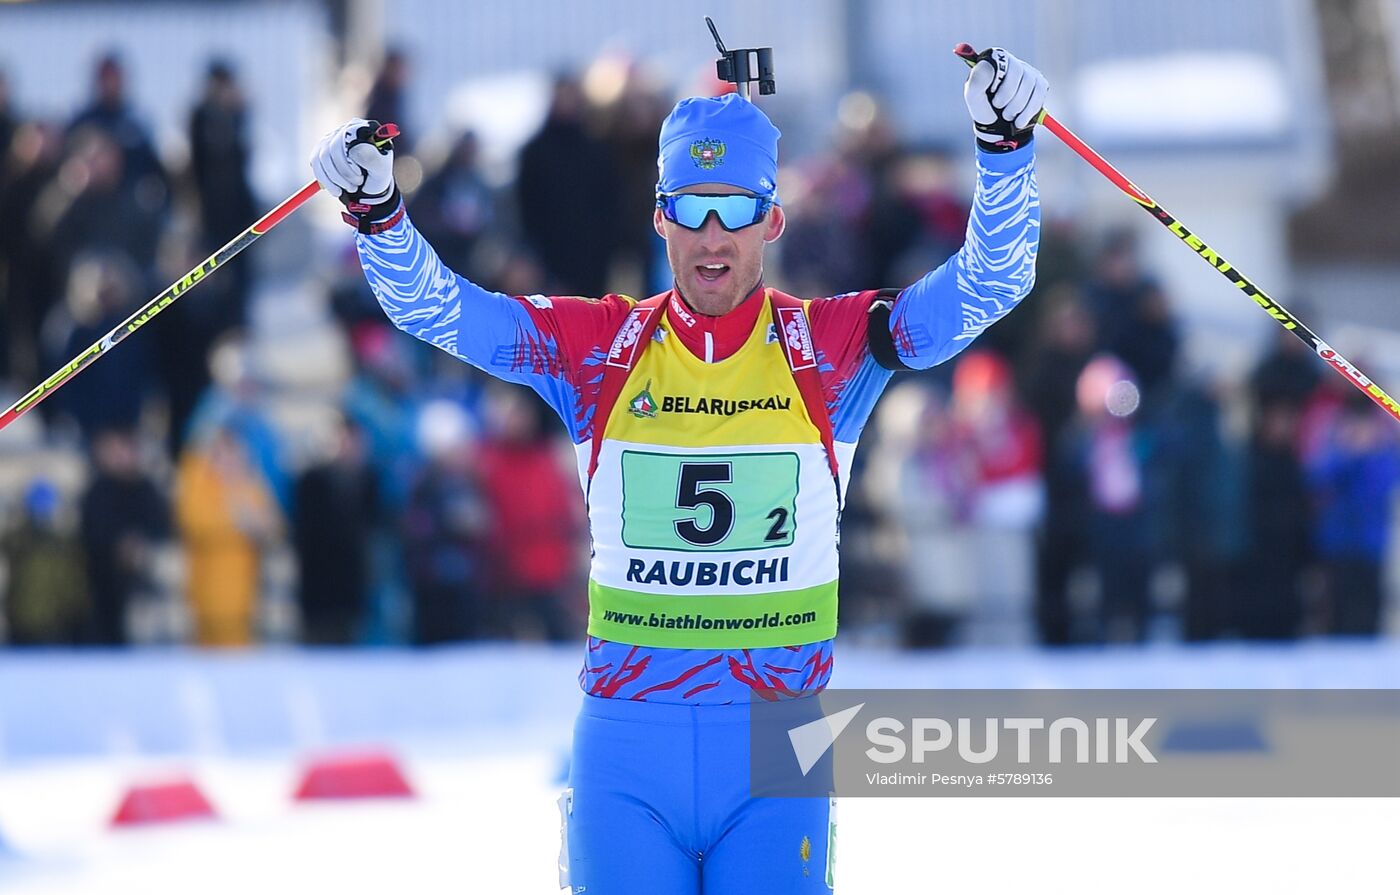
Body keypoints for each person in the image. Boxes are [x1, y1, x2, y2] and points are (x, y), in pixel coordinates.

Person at [311, 46, 1045, 893]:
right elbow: (440, 310)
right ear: (658, 215)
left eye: (735, 208)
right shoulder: (598, 349)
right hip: (629, 750)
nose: (711, 236)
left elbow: (992, 280)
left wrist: (1004, 148)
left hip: (777, 748)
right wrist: (377, 211)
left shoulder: (832, 348)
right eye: (690, 208)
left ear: (773, 219)